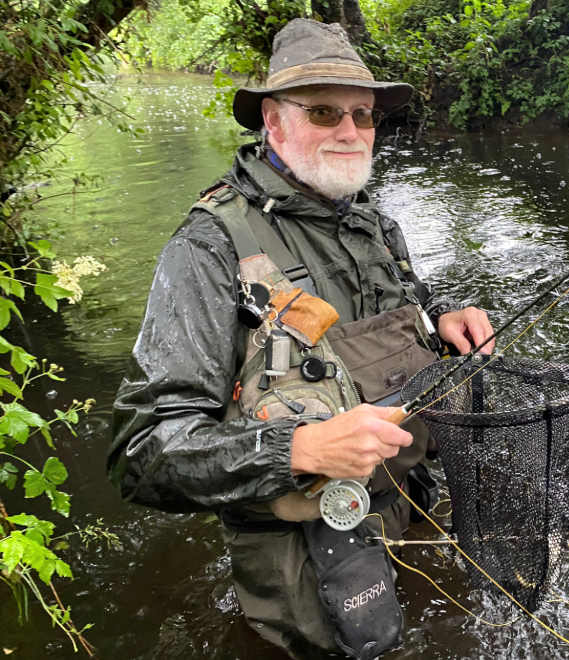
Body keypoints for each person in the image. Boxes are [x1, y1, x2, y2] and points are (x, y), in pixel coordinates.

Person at [108, 18, 493, 659]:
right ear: (272, 120)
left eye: (363, 115)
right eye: (322, 111)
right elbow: (142, 454)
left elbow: (406, 314)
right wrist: (300, 448)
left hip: (409, 514)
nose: (349, 132)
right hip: (303, 574)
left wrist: (443, 319)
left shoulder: (376, 224)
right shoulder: (208, 247)